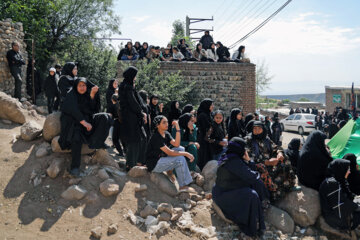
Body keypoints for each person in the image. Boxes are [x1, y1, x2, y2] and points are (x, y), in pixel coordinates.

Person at [212, 137, 269, 238]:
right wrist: (249, 161)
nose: (245, 151)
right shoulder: (234, 162)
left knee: (256, 184)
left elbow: (248, 174)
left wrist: (248, 162)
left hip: (225, 190)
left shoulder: (229, 156)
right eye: (244, 148)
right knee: (252, 195)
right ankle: (252, 227)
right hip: (223, 197)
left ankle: (259, 208)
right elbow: (253, 176)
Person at [58, 77, 112, 176]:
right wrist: (84, 123)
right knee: (76, 137)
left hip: (89, 120)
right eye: (80, 86)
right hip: (75, 122)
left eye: (84, 85)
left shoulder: (87, 93)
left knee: (105, 117)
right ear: (76, 86)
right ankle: (75, 167)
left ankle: (96, 142)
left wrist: (92, 96)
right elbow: (73, 111)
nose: (82, 88)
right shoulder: (72, 94)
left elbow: (92, 109)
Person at [245, 121, 296, 201]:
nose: (257, 130)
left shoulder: (266, 138)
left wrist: (279, 153)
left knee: (284, 158)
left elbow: (275, 147)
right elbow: (249, 158)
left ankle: (290, 184)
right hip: (259, 165)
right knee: (265, 171)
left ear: (263, 129)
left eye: (259, 128)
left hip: (271, 161)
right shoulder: (248, 140)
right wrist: (267, 162)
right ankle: (274, 195)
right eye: (255, 128)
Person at [146, 115, 194, 192]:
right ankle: (183, 186)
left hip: (161, 158)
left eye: (167, 122)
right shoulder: (156, 137)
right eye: (164, 122)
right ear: (158, 125)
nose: (167, 124)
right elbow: (170, 152)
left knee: (180, 148)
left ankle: (170, 171)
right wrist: (186, 154)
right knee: (180, 159)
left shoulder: (166, 133)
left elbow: (177, 144)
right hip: (154, 164)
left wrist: (178, 129)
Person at [118, 66, 147, 170]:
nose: (135, 77)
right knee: (134, 141)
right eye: (135, 75)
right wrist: (141, 113)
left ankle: (133, 163)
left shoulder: (126, 85)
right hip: (131, 118)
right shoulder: (127, 87)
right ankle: (131, 165)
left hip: (131, 117)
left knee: (138, 139)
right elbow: (132, 102)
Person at [319, 159, 360, 231]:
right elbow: (340, 205)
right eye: (348, 169)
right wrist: (356, 206)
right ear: (341, 169)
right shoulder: (331, 183)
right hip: (334, 218)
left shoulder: (337, 180)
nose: (349, 172)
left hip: (337, 212)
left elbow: (346, 196)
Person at [197, 99, 214, 169]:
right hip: (203, 139)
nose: (213, 106)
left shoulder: (208, 114)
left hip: (207, 139)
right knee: (204, 157)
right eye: (211, 105)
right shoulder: (203, 115)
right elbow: (206, 127)